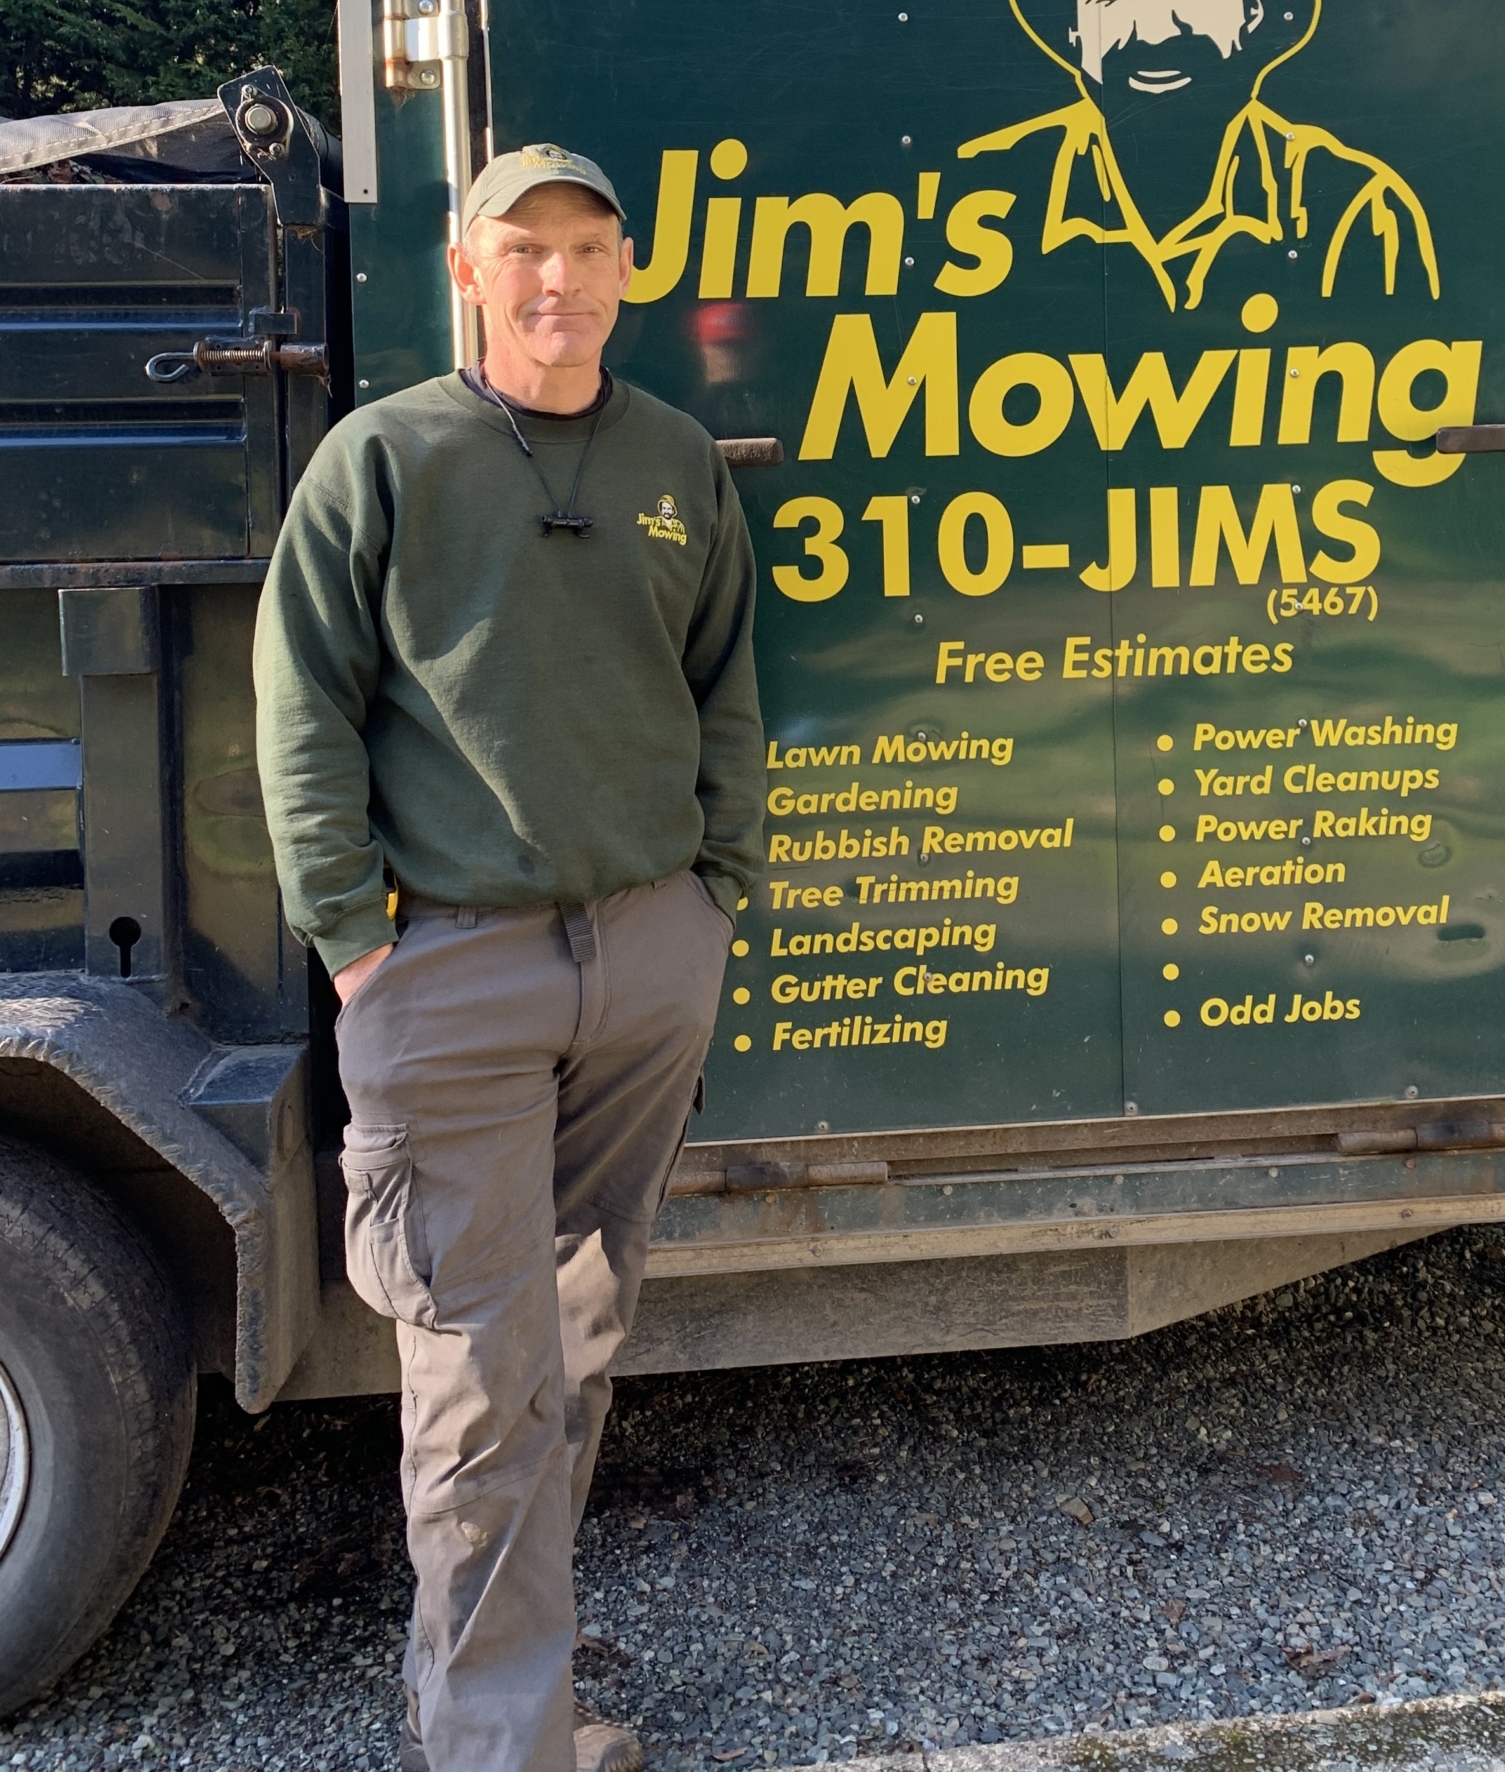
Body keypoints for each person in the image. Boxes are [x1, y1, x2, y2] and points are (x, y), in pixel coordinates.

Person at [254, 142, 765, 1772]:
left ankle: (500, 1705)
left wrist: (715, 891)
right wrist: (356, 945)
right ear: (467, 271)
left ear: (629, 272)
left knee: (579, 1343)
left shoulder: (679, 456)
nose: (559, 278)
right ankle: (496, 1750)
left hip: (645, 961)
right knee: (480, 1379)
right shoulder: (381, 462)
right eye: (522, 248)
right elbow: (304, 706)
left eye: (589, 248)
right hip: (448, 975)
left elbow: (726, 682)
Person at [958, 0, 1440, 311]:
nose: (1154, 31)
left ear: (1256, 16)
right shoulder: (987, 189)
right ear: (1072, 31)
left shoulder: (1357, 207)